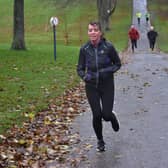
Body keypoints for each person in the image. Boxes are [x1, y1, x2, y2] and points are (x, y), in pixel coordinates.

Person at [77, 21, 121, 152]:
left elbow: (117, 64)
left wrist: (106, 72)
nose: (93, 32)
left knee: (105, 115)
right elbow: (79, 68)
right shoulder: (84, 49)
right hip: (91, 87)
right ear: (88, 32)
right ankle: (100, 140)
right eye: (90, 30)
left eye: (95, 30)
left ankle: (112, 117)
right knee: (96, 115)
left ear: (100, 32)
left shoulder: (108, 47)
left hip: (107, 85)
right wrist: (84, 76)